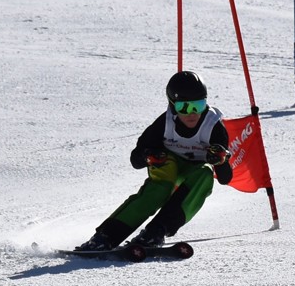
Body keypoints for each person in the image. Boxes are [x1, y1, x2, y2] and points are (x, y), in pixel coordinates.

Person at [75, 71, 232, 251]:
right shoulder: (164, 124)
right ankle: (106, 236)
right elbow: (136, 160)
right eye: (185, 107)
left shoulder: (213, 126)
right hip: (169, 167)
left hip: (194, 172)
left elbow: (225, 178)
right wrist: (148, 155)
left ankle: (156, 231)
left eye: (199, 105)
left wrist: (221, 160)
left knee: (205, 173)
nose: (193, 113)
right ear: (173, 106)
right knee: (160, 186)